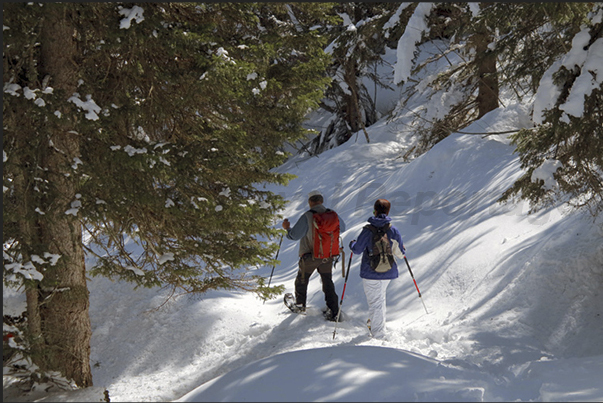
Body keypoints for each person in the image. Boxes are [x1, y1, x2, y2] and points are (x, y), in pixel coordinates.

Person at [282, 190, 346, 321]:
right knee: (327, 281)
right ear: (321, 201)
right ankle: (334, 311)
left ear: (310, 202)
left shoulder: (307, 216)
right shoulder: (332, 214)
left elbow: (294, 235)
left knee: (302, 280)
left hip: (309, 256)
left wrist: (287, 229)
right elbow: (342, 228)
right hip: (327, 256)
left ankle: (300, 305)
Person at [349, 199, 405, 339]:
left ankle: (378, 334)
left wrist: (352, 244)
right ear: (388, 212)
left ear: (374, 210)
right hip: (388, 271)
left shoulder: (367, 230)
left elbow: (357, 250)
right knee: (379, 299)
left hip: (370, 272)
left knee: (376, 302)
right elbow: (400, 254)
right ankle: (376, 325)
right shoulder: (392, 229)